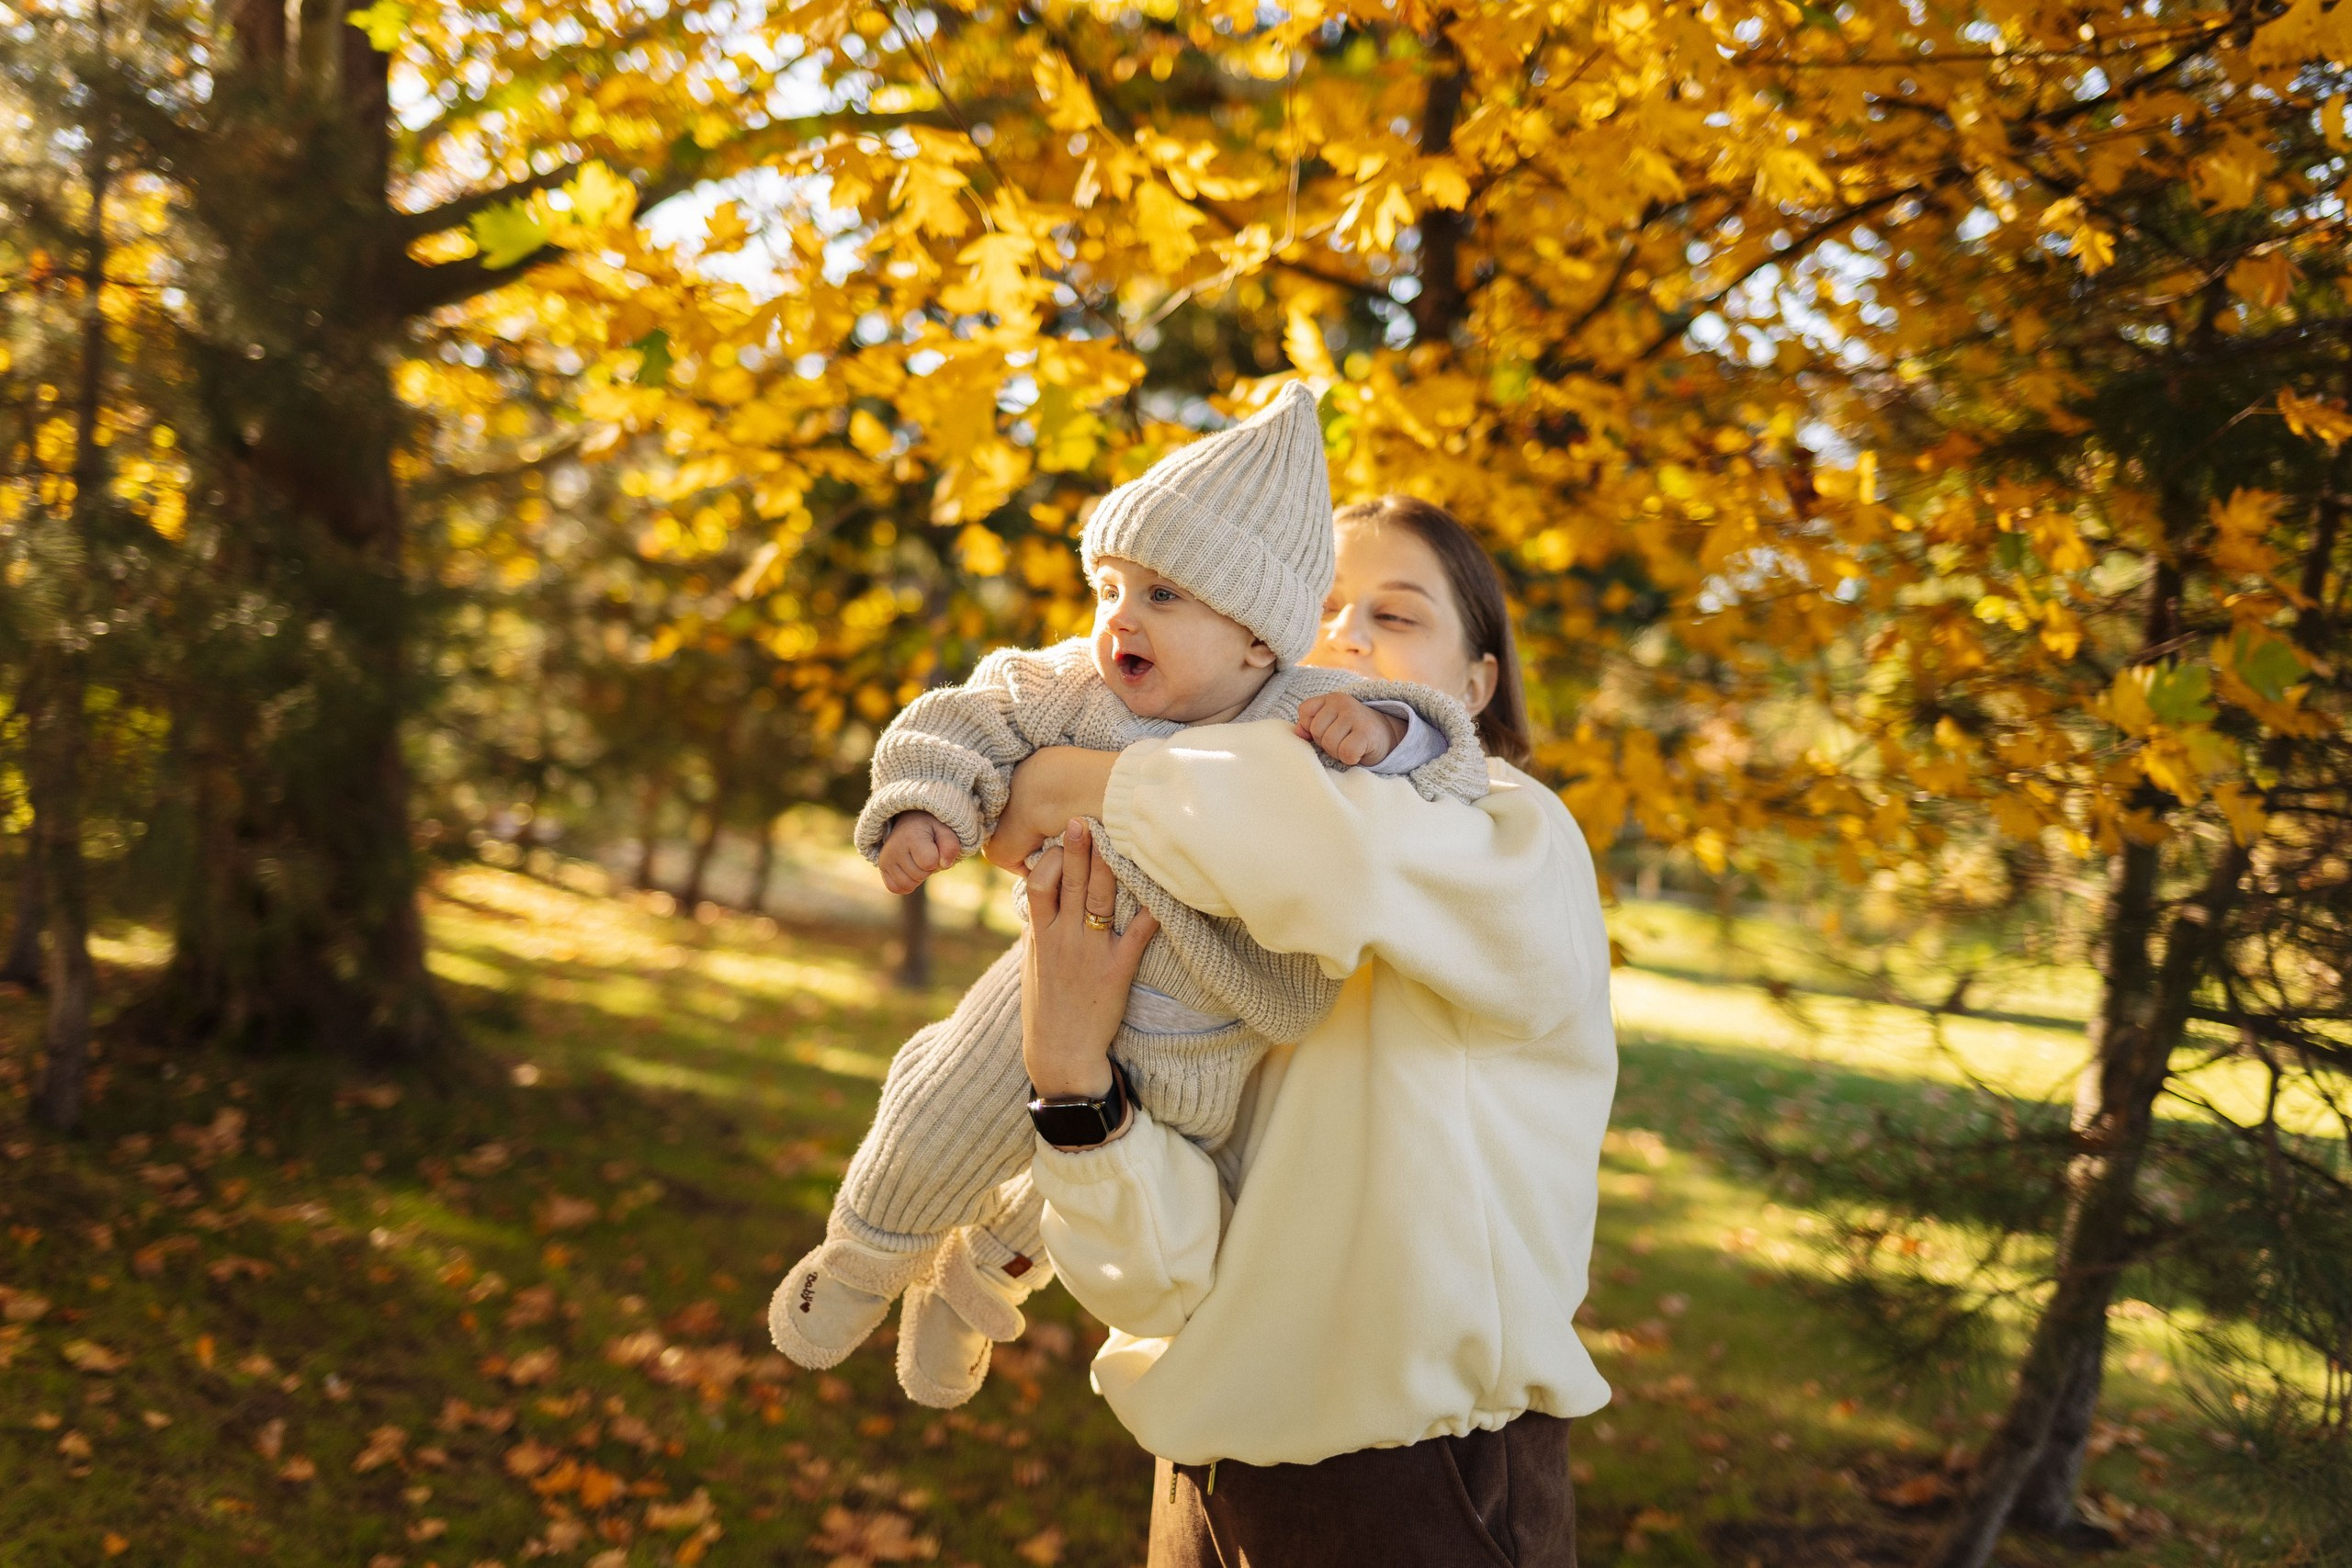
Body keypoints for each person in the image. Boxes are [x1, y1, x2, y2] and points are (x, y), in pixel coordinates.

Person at [769, 386, 1490, 1408]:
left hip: (1205, 1028)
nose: (1118, 620)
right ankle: (863, 1256)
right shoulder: (1075, 687)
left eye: (1162, 597)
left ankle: (972, 1288)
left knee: (1084, 1195)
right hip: (1055, 963)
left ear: (1255, 641)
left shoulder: (1302, 707)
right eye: (1109, 587)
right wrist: (923, 807)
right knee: (944, 1105)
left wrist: (1382, 740)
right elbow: (963, 719)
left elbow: (1439, 741)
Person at [989, 496, 1611, 1565]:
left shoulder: (1515, 831)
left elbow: (1342, 857)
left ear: (1473, 685)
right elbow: (1159, 1284)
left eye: (1396, 614)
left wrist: (1059, 781)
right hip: (1206, 1488)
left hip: (1419, 1490)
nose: (1345, 636)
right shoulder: (1201, 900)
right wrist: (1071, 1074)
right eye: (1314, 606)